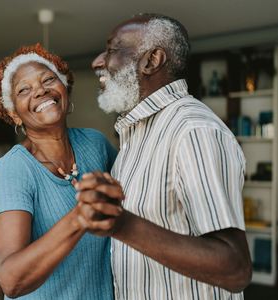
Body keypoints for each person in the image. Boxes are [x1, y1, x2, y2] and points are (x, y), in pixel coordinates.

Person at [73, 13, 252, 299]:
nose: (98, 61)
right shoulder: (137, 135)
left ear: (151, 60)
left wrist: (121, 224)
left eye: (112, 50)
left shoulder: (192, 130)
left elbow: (235, 269)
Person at [0, 44, 118, 299]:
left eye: (48, 79)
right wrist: (80, 217)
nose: (40, 90)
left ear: (65, 89)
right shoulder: (14, 168)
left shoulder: (96, 143)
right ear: (14, 115)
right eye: (24, 89)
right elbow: (11, 280)